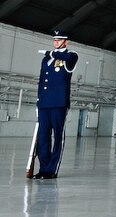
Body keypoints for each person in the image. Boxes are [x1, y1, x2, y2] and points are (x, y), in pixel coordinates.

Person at [32, 29, 78, 179]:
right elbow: (41, 81)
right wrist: (38, 101)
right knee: (43, 137)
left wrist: (50, 53)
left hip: (59, 103)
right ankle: (43, 168)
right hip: (44, 103)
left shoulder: (71, 56)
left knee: (58, 137)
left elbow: (66, 57)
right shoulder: (46, 60)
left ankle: (52, 169)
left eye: (59, 40)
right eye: (54, 40)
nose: (56, 42)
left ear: (66, 41)